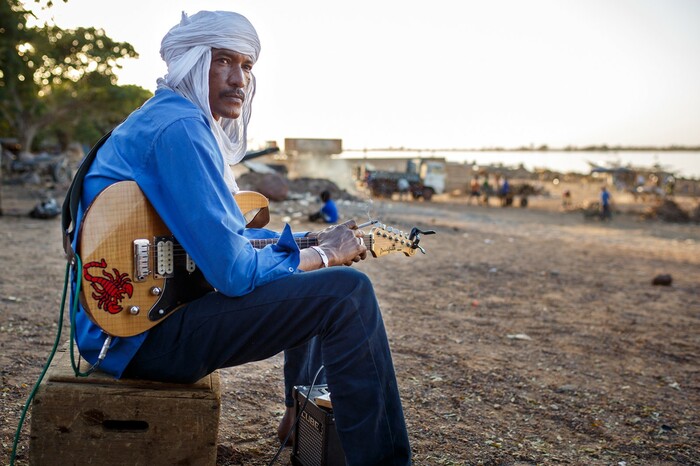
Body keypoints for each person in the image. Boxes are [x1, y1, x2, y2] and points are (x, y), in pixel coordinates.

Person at [69, 11, 410, 465]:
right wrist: (327, 254)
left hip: (129, 330)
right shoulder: (181, 128)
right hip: (142, 337)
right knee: (347, 293)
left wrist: (308, 242)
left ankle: (298, 409)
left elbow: (226, 237)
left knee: (310, 278)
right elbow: (233, 273)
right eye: (223, 62)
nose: (239, 79)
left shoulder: (168, 118)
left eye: (247, 66)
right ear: (191, 63)